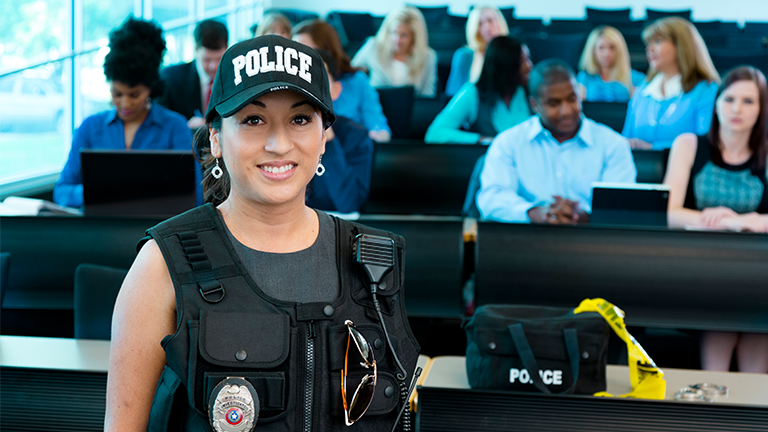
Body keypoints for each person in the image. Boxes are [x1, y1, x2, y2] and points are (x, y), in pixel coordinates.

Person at [105, 35, 420, 432]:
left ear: (324, 136)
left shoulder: (376, 260)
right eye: (253, 120)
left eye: (300, 119)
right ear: (216, 139)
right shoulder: (162, 263)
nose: (279, 143)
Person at [664, 66, 768, 373]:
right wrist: (727, 222)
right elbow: (669, 213)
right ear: (717, 102)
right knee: (724, 305)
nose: (736, 109)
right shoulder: (688, 144)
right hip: (698, 264)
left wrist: (747, 219)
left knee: (757, 314)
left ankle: (754, 410)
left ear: (762, 108)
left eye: (749, 101)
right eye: (729, 99)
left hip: (754, 268)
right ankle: (712, 400)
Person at [53, 17, 192, 208]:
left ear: (151, 89)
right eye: (117, 94)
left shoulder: (175, 127)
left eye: (134, 95)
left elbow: (193, 194)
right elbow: (62, 191)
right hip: (100, 230)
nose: (125, 103)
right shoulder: (89, 128)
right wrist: (102, 191)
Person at [477, 59, 637, 224]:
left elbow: (620, 207)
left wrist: (580, 216)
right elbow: (491, 198)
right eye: (554, 103)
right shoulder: (508, 142)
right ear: (534, 104)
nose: (566, 111)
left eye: (571, 99)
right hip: (525, 241)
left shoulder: (612, 144)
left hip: (593, 243)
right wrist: (536, 213)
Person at [622, 17, 720, 150]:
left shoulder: (706, 90)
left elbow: (704, 142)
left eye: (657, 41)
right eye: (648, 43)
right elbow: (625, 139)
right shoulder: (642, 90)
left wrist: (653, 147)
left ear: (681, 46)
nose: (649, 48)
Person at [294, 19, 392, 142]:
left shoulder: (357, 81)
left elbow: (378, 127)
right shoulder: (290, 85)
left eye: (307, 52)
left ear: (327, 53)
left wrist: (364, 141)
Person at [425, 36, 532, 144]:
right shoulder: (472, 93)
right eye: (522, 62)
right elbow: (434, 134)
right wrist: (480, 140)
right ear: (506, 66)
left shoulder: (530, 93)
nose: (529, 66)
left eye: (528, 59)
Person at [306, 50, 374, 213]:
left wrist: (328, 141)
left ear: (336, 90)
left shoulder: (356, 137)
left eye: (318, 77)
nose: (309, 86)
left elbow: (349, 205)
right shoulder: (279, 138)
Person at [351, 6, 438, 98]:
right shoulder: (373, 46)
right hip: (374, 108)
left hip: (409, 111)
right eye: (393, 32)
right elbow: (350, 74)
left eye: (404, 35)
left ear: (414, 37)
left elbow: (428, 96)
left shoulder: (428, 57)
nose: (397, 40)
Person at [158, 19, 228, 131]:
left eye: (219, 58)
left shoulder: (236, 77)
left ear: (227, 49)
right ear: (196, 49)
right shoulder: (171, 78)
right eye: (207, 59)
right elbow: (162, 123)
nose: (213, 66)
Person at [444, 5, 509, 97]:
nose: (487, 27)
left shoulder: (510, 55)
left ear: (500, 23)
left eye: (490, 21)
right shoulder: (464, 56)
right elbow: (452, 94)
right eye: (480, 24)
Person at [576, 25, 646, 102]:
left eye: (612, 47)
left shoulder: (636, 78)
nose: (606, 53)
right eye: (601, 48)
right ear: (593, 51)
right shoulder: (583, 78)